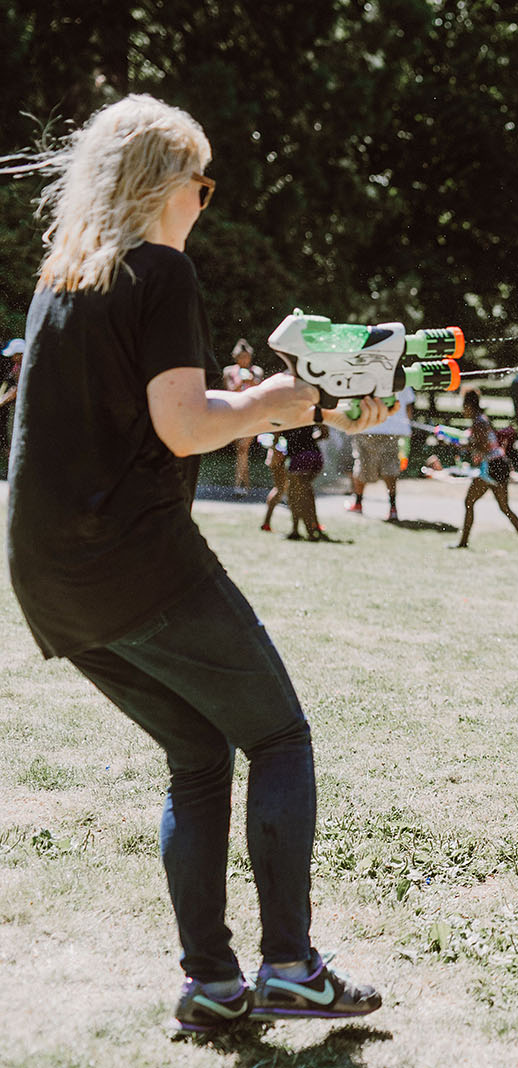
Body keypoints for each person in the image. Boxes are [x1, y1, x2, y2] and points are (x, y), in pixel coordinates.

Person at [4, 95, 390, 1035]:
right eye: (200, 183)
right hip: (132, 558)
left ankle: (213, 986)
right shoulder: (162, 273)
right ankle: (290, 966)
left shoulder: (65, 278)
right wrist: (287, 400)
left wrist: (295, 403)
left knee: (196, 754)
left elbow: (162, 407)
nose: (205, 202)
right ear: (160, 184)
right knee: (279, 738)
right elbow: (184, 429)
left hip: (44, 572)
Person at [453, 388, 518, 552]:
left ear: (469, 406)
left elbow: (482, 447)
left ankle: (463, 542)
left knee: (469, 502)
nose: (463, 410)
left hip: (492, 468)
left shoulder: (478, 422)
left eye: (464, 406)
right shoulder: (482, 420)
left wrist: (465, 445)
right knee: (505, 508)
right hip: (499, 465)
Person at [347, 384, 414, 522]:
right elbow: (408, 405)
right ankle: (393, 508)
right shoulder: (401, 377)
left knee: (363, 465)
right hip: (392, 430)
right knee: (390, 469)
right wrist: (407, 426)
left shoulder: (365, 374)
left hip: (366, 427)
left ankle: (358, 503)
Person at [222, 338, 263, 493]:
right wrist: (240, 383)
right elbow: (228, 391)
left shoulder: (256, 371)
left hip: (251, 415)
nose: (244, 360)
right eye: (241, 357)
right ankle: (245, 484)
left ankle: (238, 485)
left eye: (246, 357)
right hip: (234, 414)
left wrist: (252, 381)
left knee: (242, 448)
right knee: (242, 450)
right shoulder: (229, 371)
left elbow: (261, 391)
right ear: (236, 357)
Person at [281, 423, 327, 540]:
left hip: (299, 458)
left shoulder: (283, 414)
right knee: (302, 493)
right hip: (314, 455)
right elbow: (325, 433)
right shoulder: (308, 411)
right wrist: (309, 440)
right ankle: (303, 529)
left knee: (298, 496)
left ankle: (310, 532)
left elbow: (275, 438)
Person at [0, 337, 23, 471]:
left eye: (14, 355)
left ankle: (15, 472)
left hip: (22, 410)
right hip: (16, 407)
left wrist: (2, 401)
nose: (12, 358)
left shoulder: (23, 367)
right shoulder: (16, 366)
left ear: (20, 354)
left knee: (14, 442)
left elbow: (17, 389)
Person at [258, 432, 288, 531]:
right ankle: (266, 522)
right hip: (278, 455)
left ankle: (266, 522)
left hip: (277, 454)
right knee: (279, 489)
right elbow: (277, 433)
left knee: (280, 488)